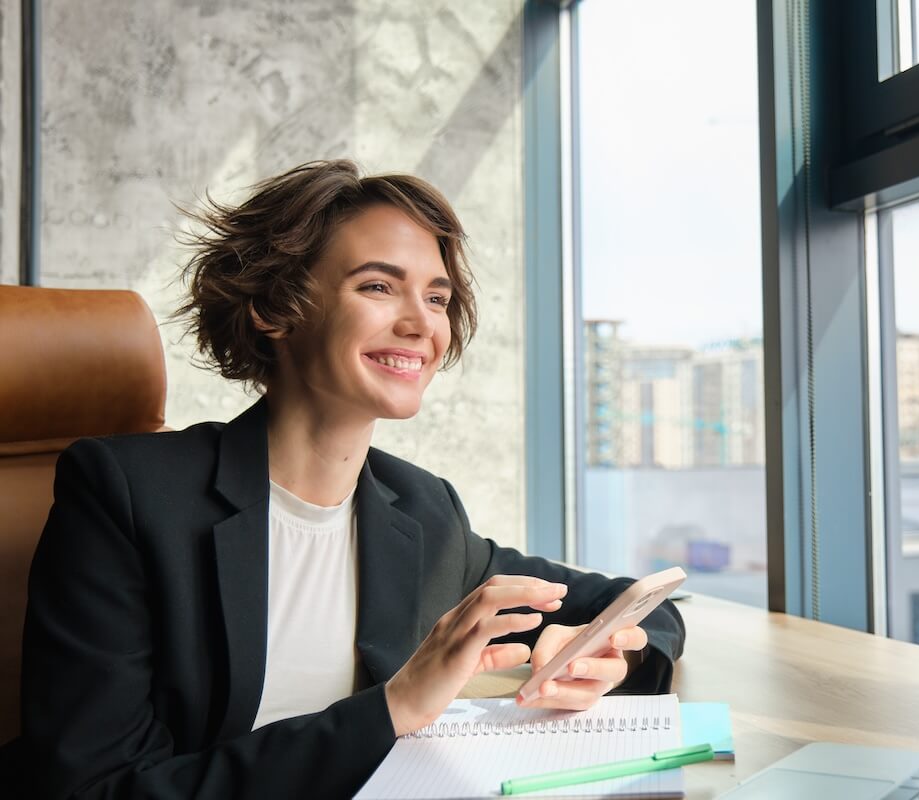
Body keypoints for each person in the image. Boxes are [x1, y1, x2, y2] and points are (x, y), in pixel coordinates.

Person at [19, 160, 685, 799]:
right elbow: (97, 788)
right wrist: (392, 708)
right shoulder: (128, 496)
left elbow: (642, 604)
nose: (422, 323)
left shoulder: (423, 513)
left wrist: (606, 654)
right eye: (377, 285)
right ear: (274, 309)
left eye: (437, 297)